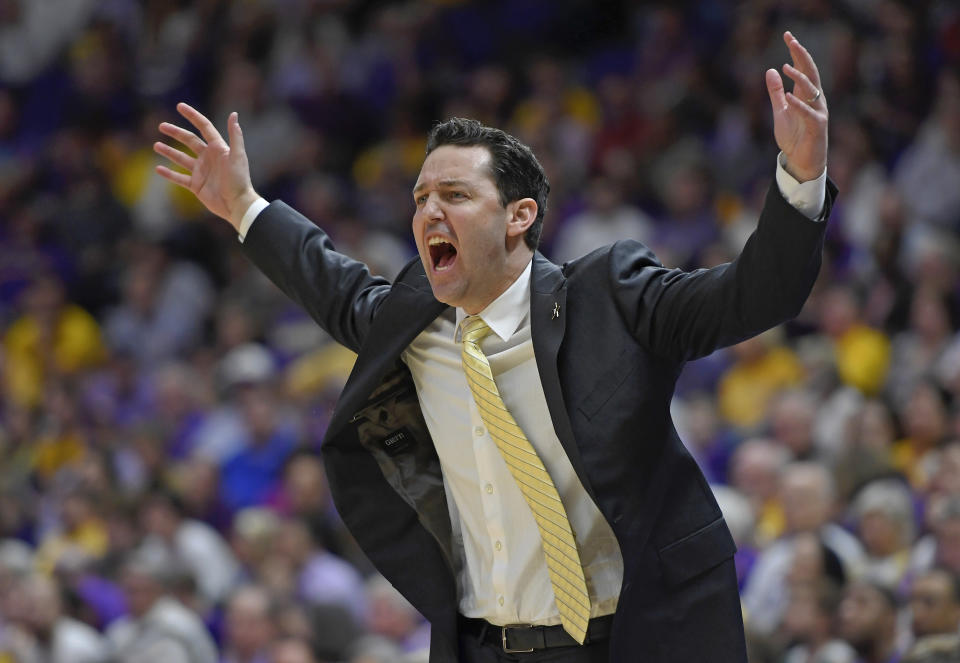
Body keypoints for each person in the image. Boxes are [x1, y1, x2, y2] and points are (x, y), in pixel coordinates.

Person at [155, 31, 833, 663]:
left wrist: (800, 177)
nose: (428, 213)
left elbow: (751, 296)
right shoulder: (413, 322)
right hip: (486, 644)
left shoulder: (611, 296)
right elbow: (329, 279)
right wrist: (243, 204)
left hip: (632, 637)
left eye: (454, 193)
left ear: (520, 215)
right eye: (420, 198)